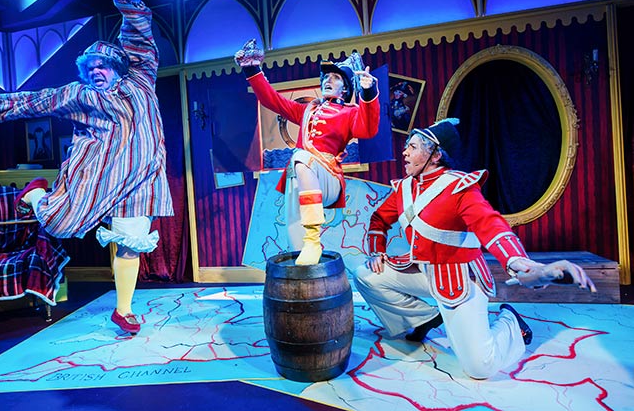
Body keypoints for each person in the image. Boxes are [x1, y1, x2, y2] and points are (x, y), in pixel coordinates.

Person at [0, 0, 173, 335]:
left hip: (143, 178)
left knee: (132, 241)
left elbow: (140, 40)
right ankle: (39, 192)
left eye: (105, 65)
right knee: (59, 223)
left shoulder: (141, 79)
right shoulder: (80, 95)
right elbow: (32, 101)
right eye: (92, 68)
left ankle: (123, 310)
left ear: (119, 67)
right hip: (101, 176)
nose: (98, 71)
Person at [354, 118, 597, 379]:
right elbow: (379, 219)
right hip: (421, 268)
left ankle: (511, 323)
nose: (405, 152)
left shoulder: (460, 188)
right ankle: (420, 319)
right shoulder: (404, 188)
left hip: (458, 277)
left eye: (412, 147)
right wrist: (377, 250)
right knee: (363, 274)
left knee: (479, 367)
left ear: (434, 155)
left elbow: (490, 224)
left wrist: (520, 263)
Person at [235, 39, 380, 266]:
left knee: (300, 156)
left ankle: (314, 239)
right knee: (295, 239)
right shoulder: (307, 110)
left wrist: (369, 92)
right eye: (325, 78)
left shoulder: (350, 112)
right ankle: (304, 267)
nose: (327, 80)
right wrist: (252, 68)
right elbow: (271, 100)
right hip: (302, 176)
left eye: (335, 77)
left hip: (328, 178)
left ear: (346, 88)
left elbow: (369, 129)